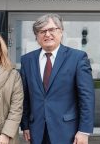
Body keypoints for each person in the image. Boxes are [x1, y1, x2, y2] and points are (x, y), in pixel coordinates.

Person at [20, 13, 95, 144]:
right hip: (36, 130)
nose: (47, 34)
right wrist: (25, 125)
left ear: (61, 32)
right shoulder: (27, 60)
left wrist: (84, 131)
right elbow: (25, 96)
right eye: (42, 31)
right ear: (37, 36)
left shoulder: (77, 58)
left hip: (67, 131)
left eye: (52, 29)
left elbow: (86, 97)